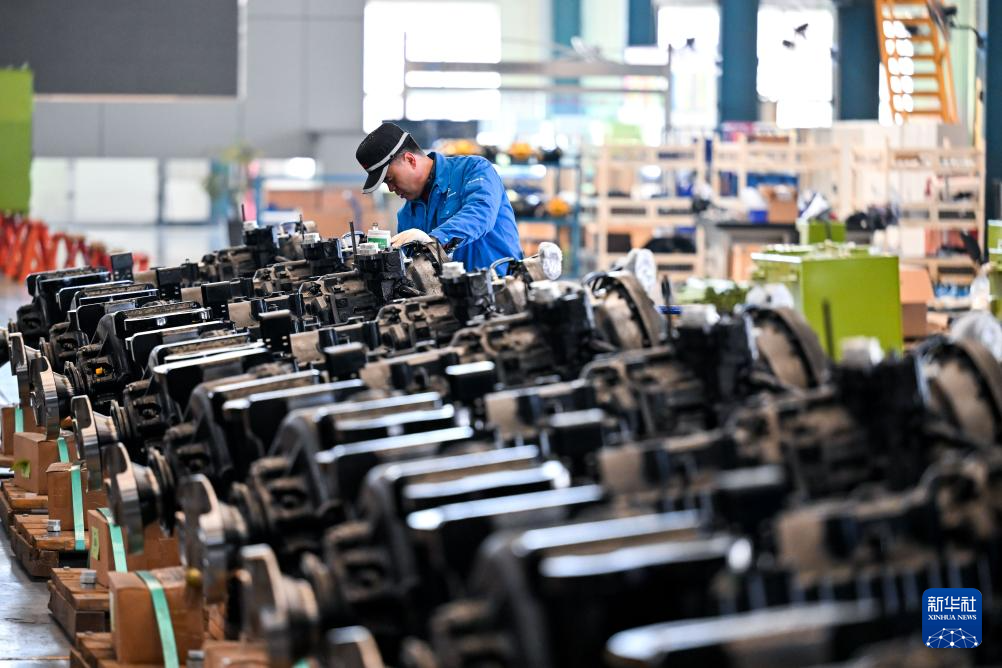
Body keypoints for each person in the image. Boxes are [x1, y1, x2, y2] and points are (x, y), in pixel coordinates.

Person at [355, 122, 522, 272]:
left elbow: (480, 213)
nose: (391, 188)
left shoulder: (474, 170)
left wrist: (433, 241)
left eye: (390, 179)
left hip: (502, 288)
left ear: (410, 160)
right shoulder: (406, 216)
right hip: (448, 295)